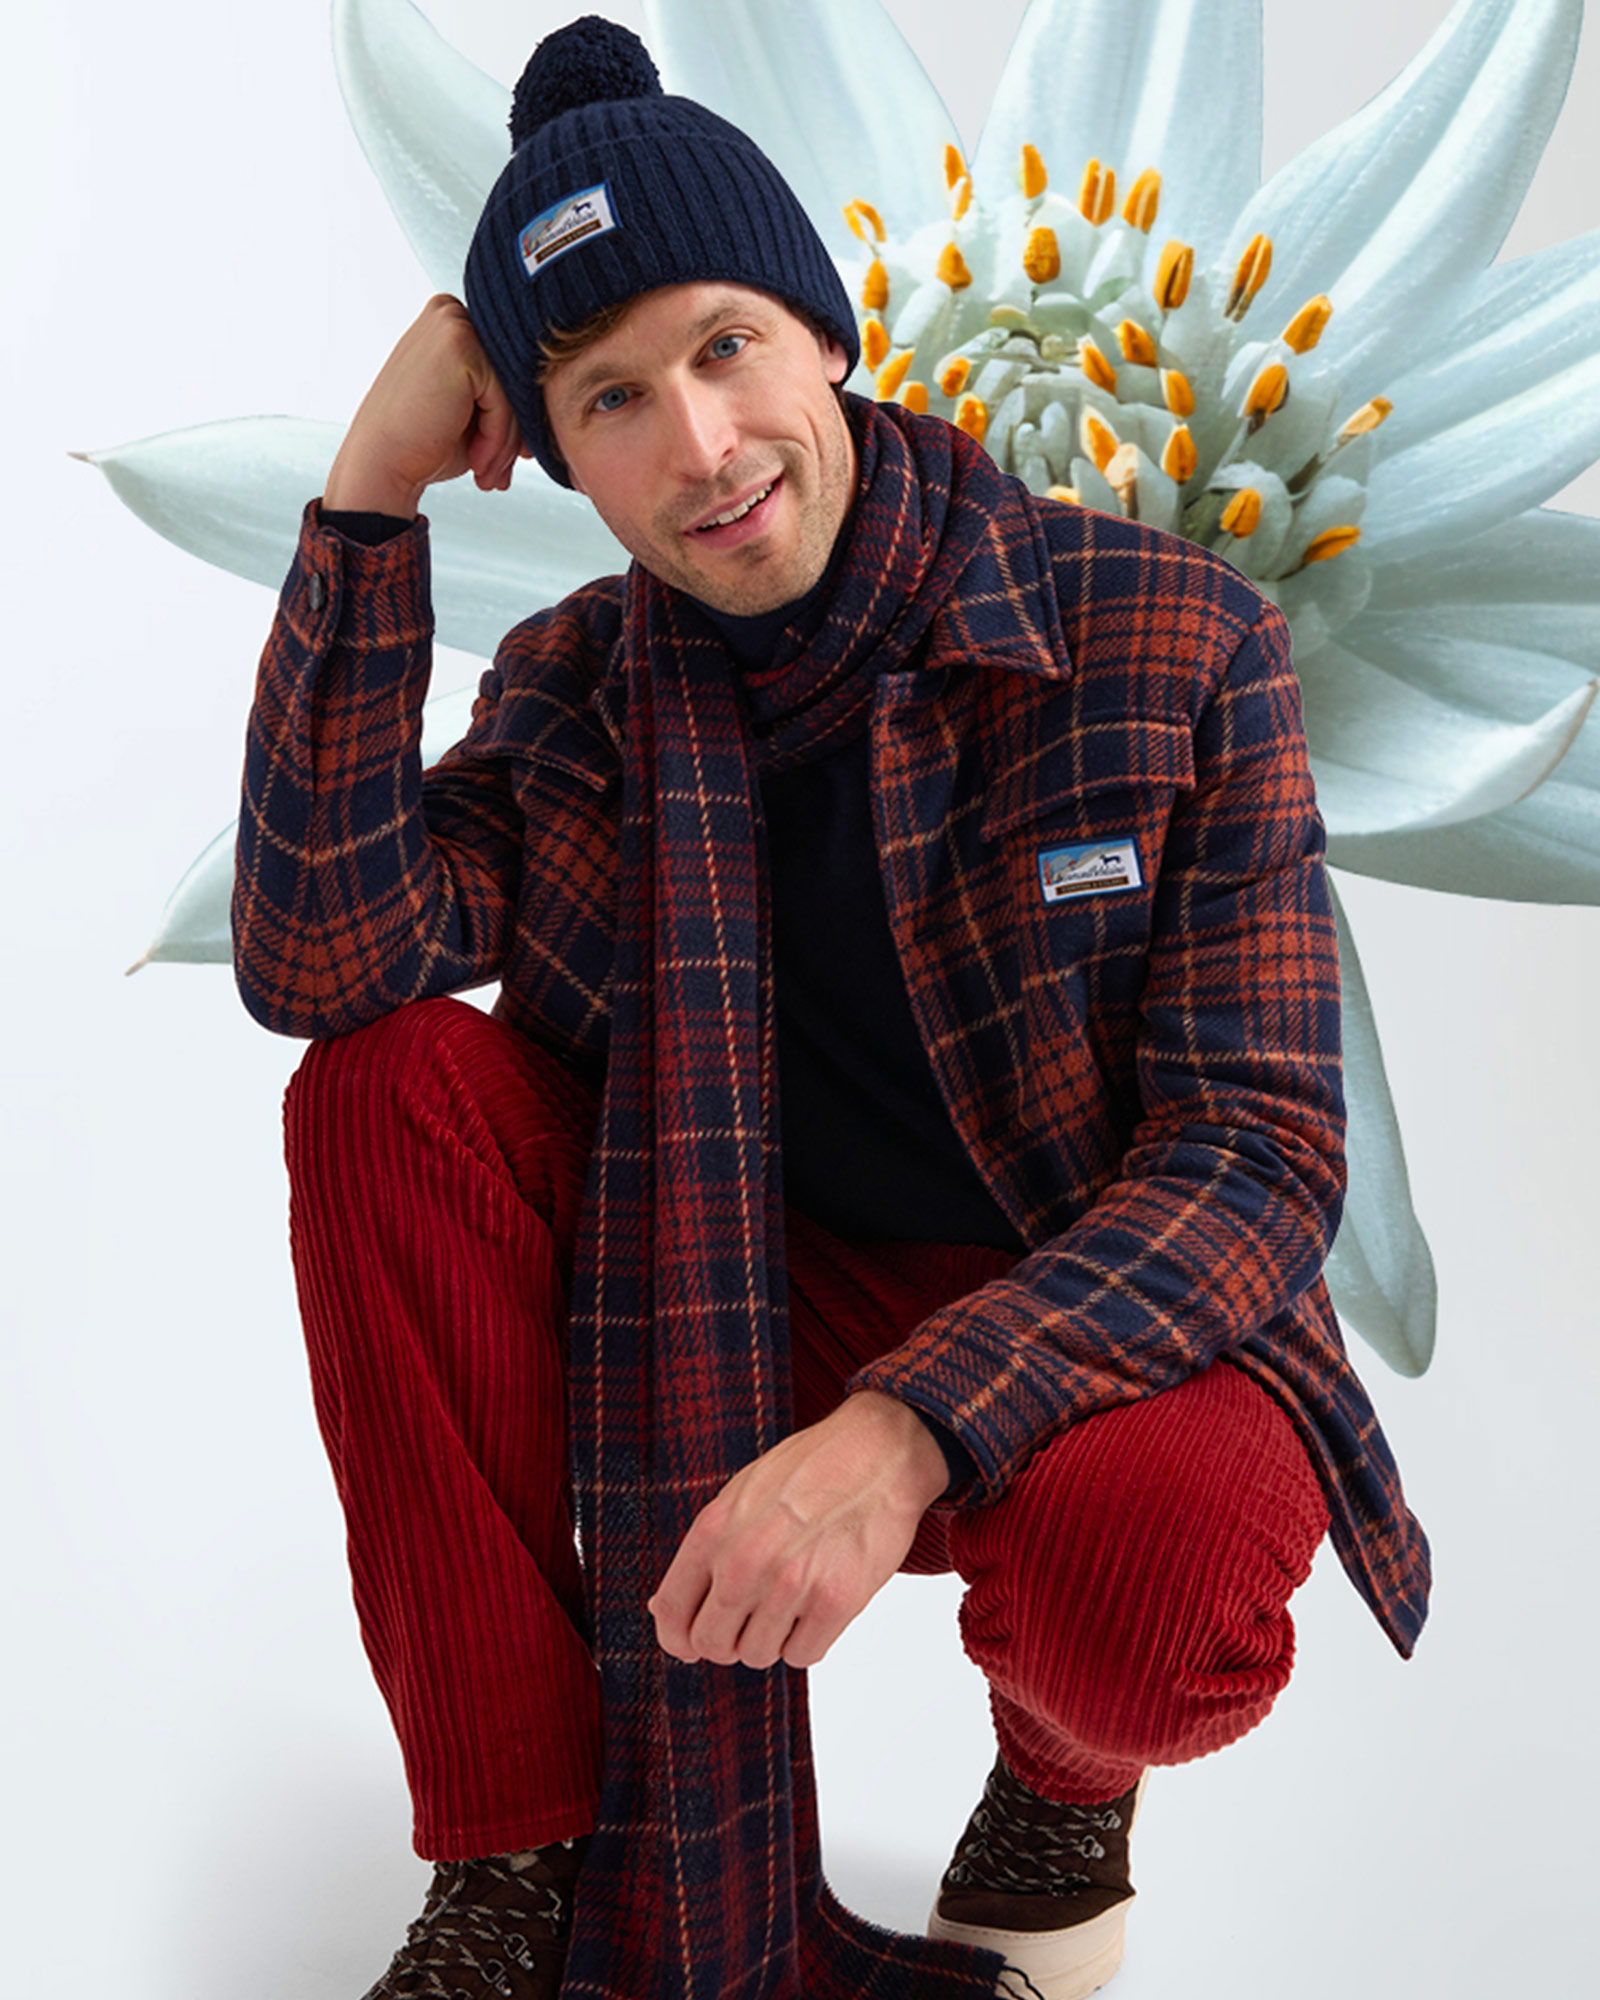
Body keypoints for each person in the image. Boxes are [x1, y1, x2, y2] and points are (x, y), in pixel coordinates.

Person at [232, 19, 1430, 2000]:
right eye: (609, 398)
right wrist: (366, 505)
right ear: (543, 443)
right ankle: (516, 1859)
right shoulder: (574, 685)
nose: (697, 448)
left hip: (1077, 1308)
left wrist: (903, 1430)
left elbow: (1258, 1157)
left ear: (820, 330)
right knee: (382, 1088)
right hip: (712, 1296)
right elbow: (317, 960)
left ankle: (1058, 1780)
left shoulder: (1171, 633)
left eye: (722, 348)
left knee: (1160, 1568)